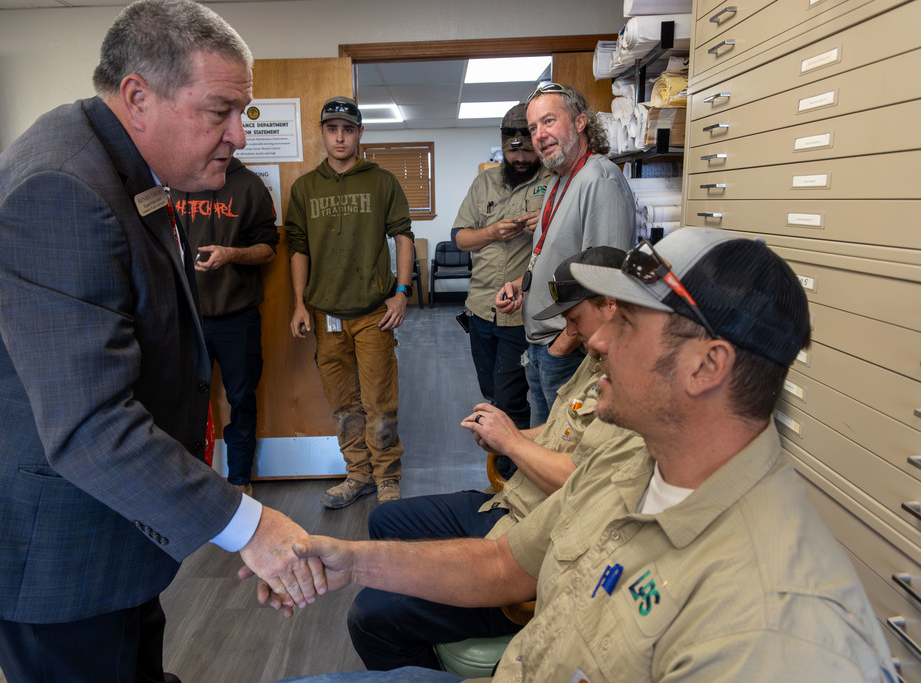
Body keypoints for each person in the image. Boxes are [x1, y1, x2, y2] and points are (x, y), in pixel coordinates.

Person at [267, 227, 897, 683]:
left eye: (626, 323)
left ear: (707, 365)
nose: (597, 341)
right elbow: (500, 567)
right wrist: (350, 562)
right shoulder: (636, 466)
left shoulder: (774, 627)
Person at [0, 2, 324, 680]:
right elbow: (89, 424)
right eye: (217, 112)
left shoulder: (118, 163)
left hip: (108, 520)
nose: (237, 137)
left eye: (241, 116)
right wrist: (254, 528)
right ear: (137, 96)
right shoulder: (59, 191)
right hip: (47, 545)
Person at [347, 247, 646, 671]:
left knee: (370, 614)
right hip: (511, 504)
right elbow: (561, 427)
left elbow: (579, 483)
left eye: (574, 318)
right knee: (384, 521)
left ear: (611, 305)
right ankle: (422, 632)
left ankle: (426, 643)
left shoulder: (631, 390)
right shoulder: (598, 359)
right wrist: (506, 435)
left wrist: (511, 443)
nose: (573, 331)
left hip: (530, 532)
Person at [287, 96, 414, 509]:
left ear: (360, 133)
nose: (340, 137)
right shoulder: (305, 188)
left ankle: (387, 478)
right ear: (322, 132)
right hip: (326, 316)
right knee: (343, 404)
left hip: (374, 312)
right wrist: (300, 305)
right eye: (332, 129)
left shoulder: (383, 182)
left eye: (348, 129)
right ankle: (358, 474)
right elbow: (298, 249)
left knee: (380, 401)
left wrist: (402, 291)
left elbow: (403, 237)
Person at [495, 83, 635, 427]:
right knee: (545, 446)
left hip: (567, 349)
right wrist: (521, 284)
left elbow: (605, 286)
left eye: (549, 122)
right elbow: (553, 255)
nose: (539, 135)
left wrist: (561, 347)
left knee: (564, 455)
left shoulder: (599, 180)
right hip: (542, 344)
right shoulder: (559, 180)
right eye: (533, 128)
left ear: (580, 122)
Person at [172, 156, 279, 496]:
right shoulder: (173, 177)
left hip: (238, 317)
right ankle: (189, 485)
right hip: (185, 315)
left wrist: (231, 254)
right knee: (182, 402)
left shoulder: (249, 185)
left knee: (241, 399)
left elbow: (268, 249)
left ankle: (239, 482)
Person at [453, 103, 554, 435]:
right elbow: (461, 239)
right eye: (514, 152)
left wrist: (543, 222)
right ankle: (503, 472)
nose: (521, 159)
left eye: (527, 151)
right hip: (481, 308)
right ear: (503, 144)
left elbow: (569, 238)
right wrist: (492, 232)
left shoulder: (554, 182)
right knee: (492, 395)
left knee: (511, 399)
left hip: (523, 311)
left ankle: (514, 474)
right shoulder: (484, 183)